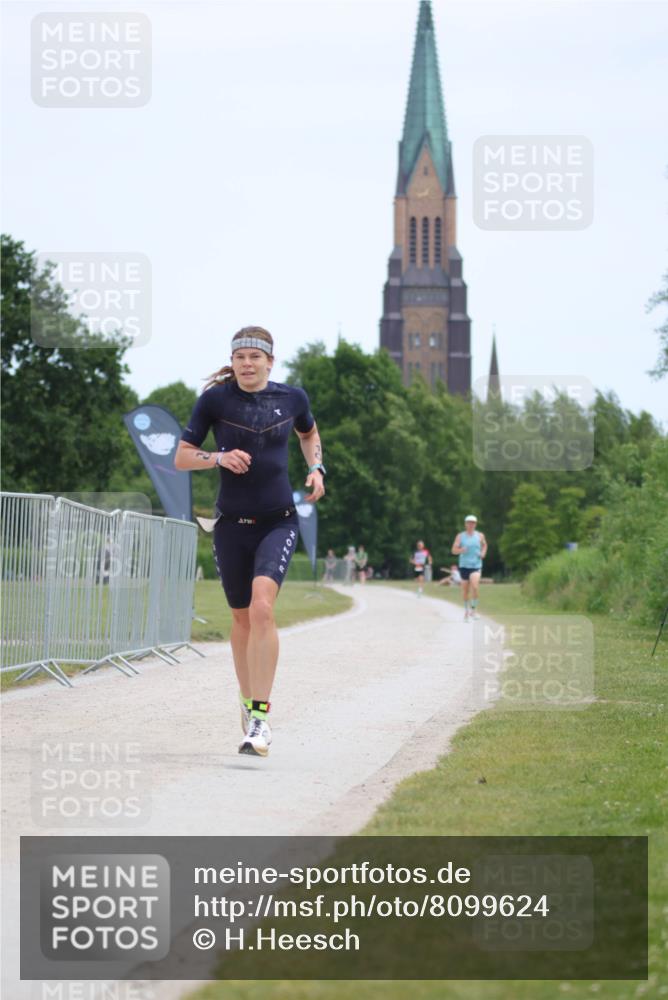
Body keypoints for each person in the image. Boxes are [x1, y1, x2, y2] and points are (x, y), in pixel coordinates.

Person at [174, 326, 325, 757]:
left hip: (278, 520)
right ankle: (247, 701)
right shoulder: (215, 401)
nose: (246, 363)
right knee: (240, 619)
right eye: (239, 356)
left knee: (262, 607)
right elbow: (182, 456)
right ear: (233, 361)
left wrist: (318, 469)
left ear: (269, 362)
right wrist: (218, 457)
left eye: (254, 357)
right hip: (230, 525)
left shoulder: (292, 398)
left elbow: (309, 434)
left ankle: (260, 716)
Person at [451, 515, 488, 620]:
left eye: (473, 523)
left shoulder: (480, 536)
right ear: (465, 524)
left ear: (475, 524)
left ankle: (473, 610)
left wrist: (483, 553)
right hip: (464, 566)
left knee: (475, 587)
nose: (471, 524)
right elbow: (453, 550)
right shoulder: (460, 536)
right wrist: (460, 550)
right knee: (465, 590)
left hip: (476, 565)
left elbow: (485, 545)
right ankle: (466, 612)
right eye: (469, 522)